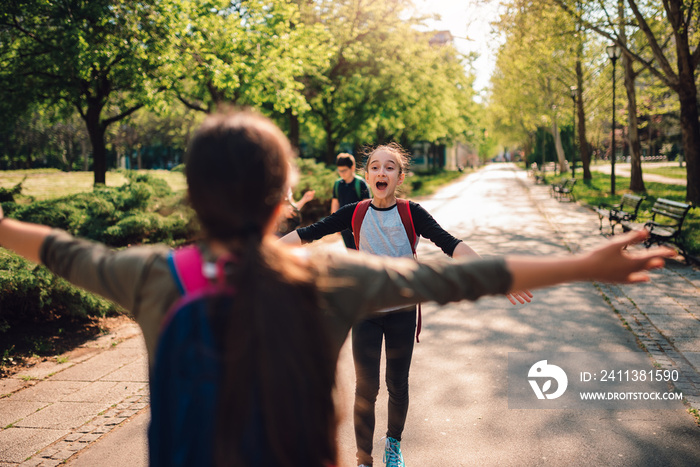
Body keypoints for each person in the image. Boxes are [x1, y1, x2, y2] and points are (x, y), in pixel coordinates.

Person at [0, 110, 673, 467]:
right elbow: (459, 276)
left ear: (193, 198)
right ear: (283, 200)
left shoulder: (152, 276)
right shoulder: (328, 275)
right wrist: (585, 264)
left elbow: (59, 250)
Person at [279, 143, 522, 467]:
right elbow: (308, 233)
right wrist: (260, 255)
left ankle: (393, 446)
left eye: (389, 167)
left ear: (399, 176)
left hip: (402, 314)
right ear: (367, 176)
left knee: (397, 383)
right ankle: (364, 458)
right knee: (366, 388)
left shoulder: (411, 213)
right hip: (365, 314)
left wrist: (498, 277)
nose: (382, 172)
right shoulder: (355, 212)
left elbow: (450, 244)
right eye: (376, 167)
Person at [331, 153, 371, 249]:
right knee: (350, 251)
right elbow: (335, 203)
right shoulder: (338, 184)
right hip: (344, 226)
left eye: (344, 170)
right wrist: (334, 224)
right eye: (339, 171)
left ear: (352, 168)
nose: (341, 173)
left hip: (359, 227)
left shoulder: (360, 183)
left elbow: (367, 205)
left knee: (361, 252)